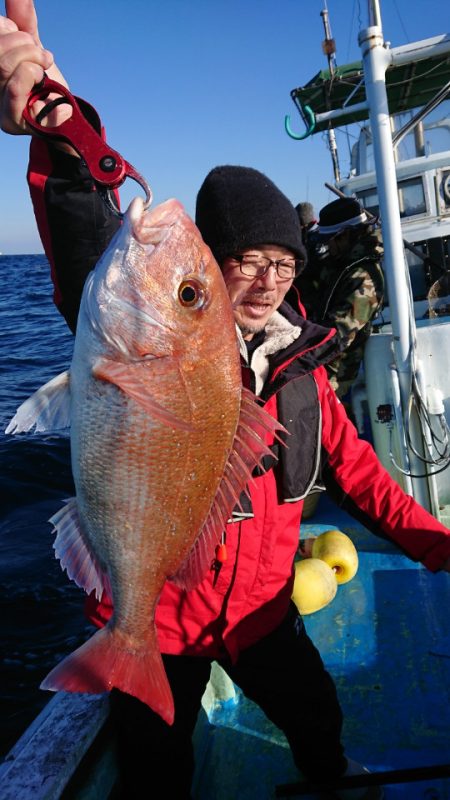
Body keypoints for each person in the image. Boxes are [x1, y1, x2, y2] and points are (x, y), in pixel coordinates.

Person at [2, 5, 450, 800]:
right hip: (160, 620)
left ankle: (332, 773)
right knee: (159, 762)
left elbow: (364, 479)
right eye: (246, 258)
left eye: (285, 261)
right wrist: (63, 127)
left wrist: (438, 543)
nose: (270, 277)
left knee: (316, 716)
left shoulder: (305, 371)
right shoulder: (150, 339)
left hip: (261, 612)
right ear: (213, 262)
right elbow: (82, 221)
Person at [294, 196, 385, 401]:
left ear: (344, 236)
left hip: (333, 378)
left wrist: (294, 363)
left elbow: (336, 335)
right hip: (319, 369)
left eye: (329, 241)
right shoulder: (342, 265)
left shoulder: (364, 279)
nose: (328, 247)